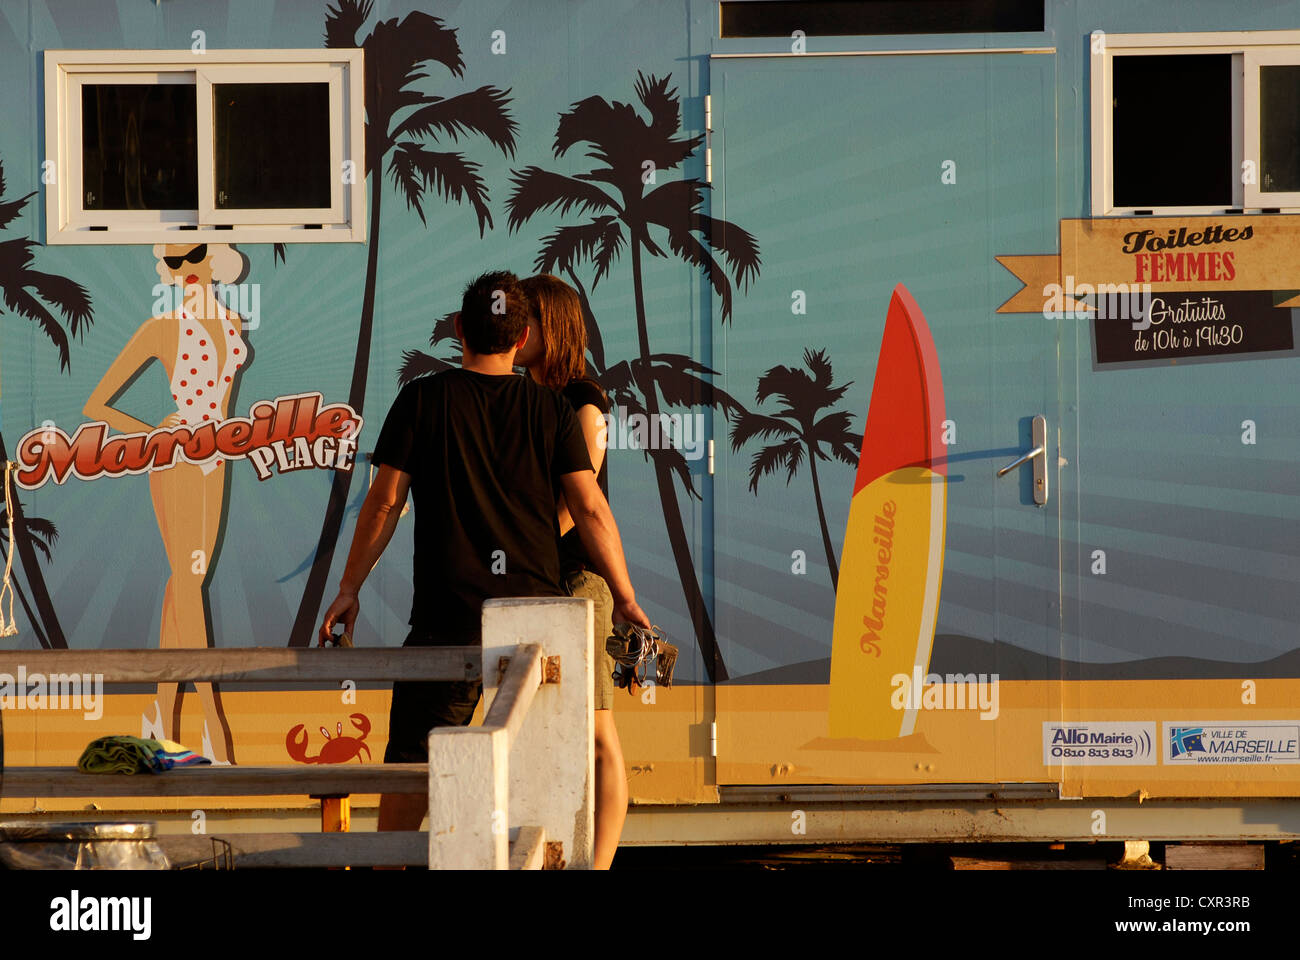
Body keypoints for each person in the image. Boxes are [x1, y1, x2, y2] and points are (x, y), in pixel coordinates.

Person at [318, 270, 650, 837]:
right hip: (534, 628)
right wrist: (625, 597)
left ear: (456, 330)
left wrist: (349, 588)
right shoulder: (551, 412)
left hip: (448, 620)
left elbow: (383, 505)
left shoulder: (422, 399)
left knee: (414, 770)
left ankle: (385, 864)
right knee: (530, 782)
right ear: (521, 340)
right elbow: (591, 510)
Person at [84, 243, 248, 763]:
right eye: (173, 262)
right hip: (176, 461)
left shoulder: (232, 322)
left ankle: (160, 717)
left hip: (217, 458)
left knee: (184, 587)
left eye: (193, 256)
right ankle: (213, 729)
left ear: (213, 260)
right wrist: (155, 432)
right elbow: (97, 403)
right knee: (189, 582)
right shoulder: (162, 329)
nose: (184, 269)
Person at [517, 273, 626, 869]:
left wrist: (518, 543)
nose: (517, 330)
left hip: (578, 581)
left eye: (526, 319)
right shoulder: (520, 395)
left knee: (599, 736)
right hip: (532, 583)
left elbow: (577, 507)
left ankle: (600, 863)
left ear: (551, 326)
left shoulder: (585, 399)